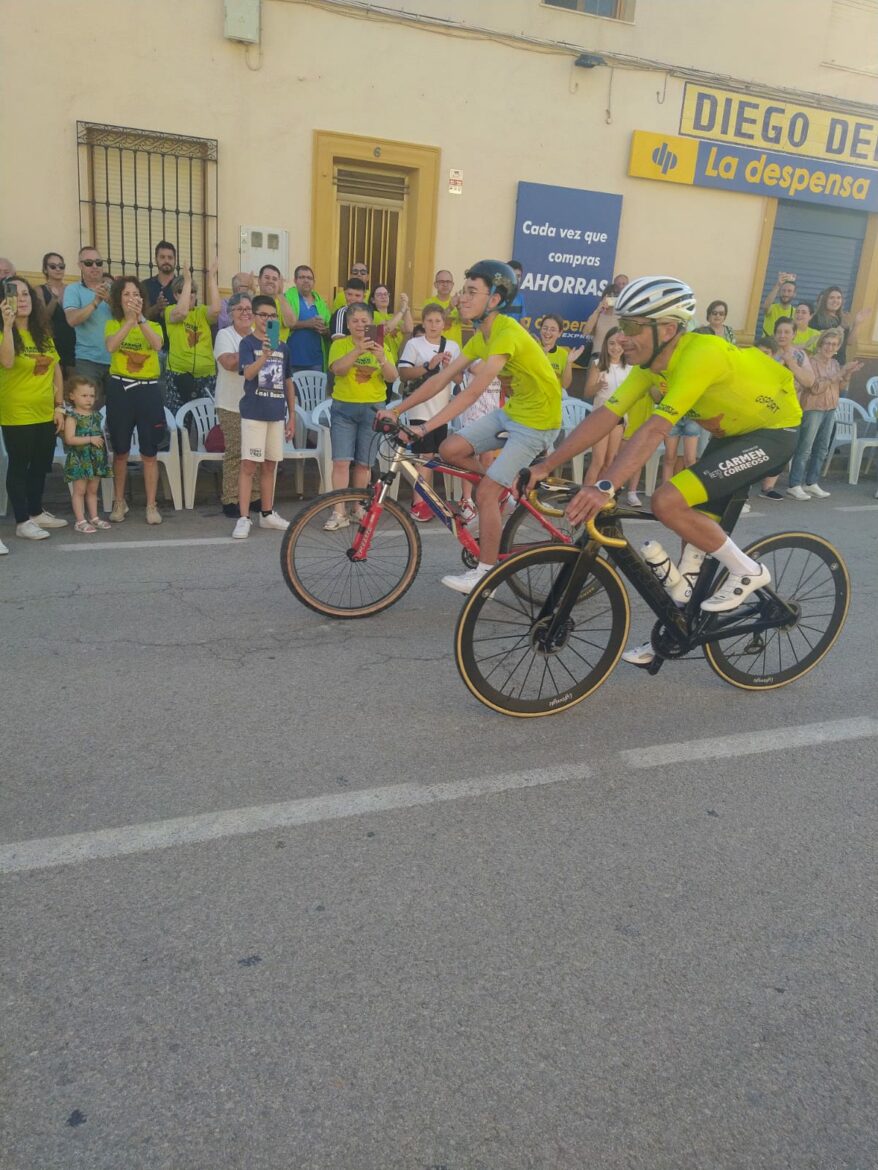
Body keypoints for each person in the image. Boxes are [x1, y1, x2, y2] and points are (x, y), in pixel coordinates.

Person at [520, 275, 803, 665]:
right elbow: (605, 415)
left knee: (667, 501)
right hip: (731, 434)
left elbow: (655, 428)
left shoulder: (701, 353)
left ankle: (747, 571)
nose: (623, 337)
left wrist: (604, 486)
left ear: (668, 329)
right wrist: (545, 466)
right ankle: (678, 628)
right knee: (690, 541)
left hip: (773, 433)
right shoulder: (650, 366)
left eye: (634, 327)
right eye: (622, 326)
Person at [383, 259, 561, 593]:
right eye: (464, 291)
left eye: (472, 292)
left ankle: (486, 573)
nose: (463, 298)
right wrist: (399, 410)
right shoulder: (482, 336)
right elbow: (442, 379)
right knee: (450, 449)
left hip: (538, 422)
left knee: (486, 492)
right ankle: (502, 491)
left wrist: (425, 428)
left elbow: (473, 391)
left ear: (494, 299)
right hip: (515, 413)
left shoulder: (507, 333)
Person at [0, 278, 67, 541]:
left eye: (26, 294)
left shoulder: (42, 333)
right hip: (17, 412)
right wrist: (7, 324)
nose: (23, 299)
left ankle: (36, 511)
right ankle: (21, 520)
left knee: (40, 464)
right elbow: (6, 362)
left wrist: (59, 406)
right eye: (15, 294)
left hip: (45, 411)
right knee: (20, 465)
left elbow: (56, 369)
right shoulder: (4, 333)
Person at [323, 303, 398, 529]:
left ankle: (357, 508)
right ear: (347, 324)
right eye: (355, 321)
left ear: (372, 323)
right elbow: (338, 370)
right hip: (344, 408)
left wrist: (381, 357)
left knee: (364, 464)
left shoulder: (381, 345)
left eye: (365, 321)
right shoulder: (340, 345)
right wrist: (358, 350)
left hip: (373, 409)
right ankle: (338, 512)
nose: (360, 325)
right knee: (341, 462)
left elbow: (392, 377)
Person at [232, 295, 296, 537]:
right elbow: (247, 374)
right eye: (263, 315)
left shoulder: (283, 346)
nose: (267, 319)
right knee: (249, 465)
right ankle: (243, 517)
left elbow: (288, 381)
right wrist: (264, 356)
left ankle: (267, 513)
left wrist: (292, 416)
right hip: (254, 412)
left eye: (272, 316)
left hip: (276, 413)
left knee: (271, 464)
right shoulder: (247, 343)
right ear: (254, 316)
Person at [104, 276, 165, 524]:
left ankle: (151, 505)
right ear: (119, 298)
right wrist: (128, 323)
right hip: (120, 389)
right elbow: (111, 346)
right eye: (127, 294)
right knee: (121, 451)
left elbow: (157, 345)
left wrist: (140, 320)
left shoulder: (152, 325)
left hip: (148, 390)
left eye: (136, 294)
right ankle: (119, 502)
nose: (132, 298)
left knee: (149, 452)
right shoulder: (112, 324)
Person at [397, 302, 460, 522]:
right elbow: (404, 373)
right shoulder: (414, 344)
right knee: (424, 456)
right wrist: (428, 366)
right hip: (419, 407)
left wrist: (450, 367)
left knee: (432, 456)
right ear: (423, 323)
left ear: (445, 323)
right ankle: (418, 502)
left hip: (442, 409)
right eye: (430, 321)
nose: (434, 325)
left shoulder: (452, 346)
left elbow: (459, 379)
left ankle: (427, 500)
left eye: (438, 321)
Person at [787, 327, 862, 501]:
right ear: (820, 345)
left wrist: (847, 374)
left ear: (837, 347)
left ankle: (811, 482)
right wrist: (840, 373)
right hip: (813, 408)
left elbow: (840, 387)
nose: (830, 347)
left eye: (834, 344)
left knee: (822, 448)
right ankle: (794, 484)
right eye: (827, 343)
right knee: (805, 447)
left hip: (830, 407)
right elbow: (815, 387)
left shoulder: (835, 364)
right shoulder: (811, 362)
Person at [214, 293, 257, 517]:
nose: (245, 313)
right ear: (230, 313)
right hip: (231, 404)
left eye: (249, 308)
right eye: (240, 309)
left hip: (256, 403)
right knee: (236, 451)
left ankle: (255, 496)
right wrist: (253, 350)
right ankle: (231, 499)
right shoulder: (224, 334)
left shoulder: (257, 335)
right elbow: (229, 363)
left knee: (255, 452)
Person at [163, 258, 221, 412]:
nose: (189, 295)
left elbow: (216, 310)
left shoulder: (202, 311)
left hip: (206, 374)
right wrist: (187, 281)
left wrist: (211, 279)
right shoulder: (170, 311)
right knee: (180, 419)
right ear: (175, 295)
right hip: (178, 374)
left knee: (208, 418)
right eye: (182, 291)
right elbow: (181, 313)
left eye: (192, 292)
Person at [62, 374, 112, 534]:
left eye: (91, 396)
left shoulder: (96, 415)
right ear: (72, 396)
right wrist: (90, 439)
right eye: (84, 395)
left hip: (95, 458)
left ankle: (94, 517)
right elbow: (69, 439)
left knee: (92, 490)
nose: (89, 399)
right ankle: (80, 520)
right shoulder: (72, 417)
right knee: (80, 491)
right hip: (80, 459)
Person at [63, 245, 113, 402]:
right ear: (80, 266)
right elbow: (72, 320)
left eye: (98, 262)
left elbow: (128, 318)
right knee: (88, 410)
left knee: (117, 411)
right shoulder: (73, 289)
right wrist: (95, 302)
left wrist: (109, 299)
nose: (95, 267)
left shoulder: (115, 290)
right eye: (89, 263)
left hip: (117, 360)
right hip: (87, 361)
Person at [583, 326, 629, 486]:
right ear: (605, 345)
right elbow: (587, 392)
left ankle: (598, 496)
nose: (616, 348)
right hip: (600, 418)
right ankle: (583, 496)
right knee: (598, 461)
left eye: (620, 344)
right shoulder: (598, 364)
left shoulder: (630, 368)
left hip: (619, 419)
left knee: (610, 462)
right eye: (611, 343)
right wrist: (598, 386)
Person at [285, 265, 330, 374]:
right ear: (295, 280)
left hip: (316, 360)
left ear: (314, 282)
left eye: (309, 278)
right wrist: (308, 324)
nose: (306, 280)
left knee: (315, 391)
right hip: (292, 359)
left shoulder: (321, 303)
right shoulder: (287, 298)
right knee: (292, 391)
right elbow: (284, 323)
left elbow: (329, 329)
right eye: (302, 277)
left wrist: (325, 330)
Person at [811, 286, 870, 364]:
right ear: (825, 300)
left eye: (839, 298)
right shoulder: (816, 318)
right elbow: (819, 339)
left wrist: (857, 323)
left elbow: (849, 342)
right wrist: (841, 327)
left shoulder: (842, 318)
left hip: (839, 362)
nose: (835, 300)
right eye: (831, 298)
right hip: (821, 363)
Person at [38, 252, 76, 375]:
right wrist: (54, 300)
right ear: (45, 269)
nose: (58, 269)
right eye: (53, 266)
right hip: (51, 341)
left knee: (74, 385)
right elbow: (42, 318)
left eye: (61, 266)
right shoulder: (39, 290)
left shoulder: (72, 289)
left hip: (72, 342)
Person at [583, 274, 628, 355]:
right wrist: (598, 310)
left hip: (618, 358)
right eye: (610, 296)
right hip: (598, 357)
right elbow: (586, 332)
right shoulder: (598, 314)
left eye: (615, 296)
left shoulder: (625, 314)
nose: (612, 299)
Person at [538, 313, 585, 391]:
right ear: (540, 330)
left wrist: (569, 362)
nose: (548, 332)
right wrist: (542, 357)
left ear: (559, 333)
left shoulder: (563, 354)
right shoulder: (532, 349)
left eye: (553, 330)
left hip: (553, 398)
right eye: (545, 328)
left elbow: (565, 385)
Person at [369, 285, 412, 366]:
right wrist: (402, 311)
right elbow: (387, 328)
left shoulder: (393, 316)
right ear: (373, 300)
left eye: (385, 294)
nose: (383, 297)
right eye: (379, 295)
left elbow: (408, 329)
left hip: (395, 360)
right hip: (379, 361)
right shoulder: (372, 315)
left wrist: (406, 307)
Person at [256, 265, 297, 342]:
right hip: (253, 350)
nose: (270, 281)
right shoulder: (252, 302)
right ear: (259, 280)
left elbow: (291, 323)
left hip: (277, 351)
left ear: (279, 283)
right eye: (267, 277)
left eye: (274, 279)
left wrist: (280, 294)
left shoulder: (283, 304)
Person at [143, 240, 178, 327]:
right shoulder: (145, 286)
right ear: (156, 259)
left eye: (170, 257)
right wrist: (156, 308)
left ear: (175, 260)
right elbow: (139, 317)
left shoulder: (184, 286)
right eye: (162, 257)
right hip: (149, 339)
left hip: (177, 339)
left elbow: (192, 315)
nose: (166, 261)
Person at [761, 271, 797, 337]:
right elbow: (765, 307)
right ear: (779, 292)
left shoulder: (796, 313)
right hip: (767, 344)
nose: (786, 294)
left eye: (789, 291)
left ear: (794, 294)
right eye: (783, 290)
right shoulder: (772, 308)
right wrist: (778, 285)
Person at [432, 270, 462, 347]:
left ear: (452, 285)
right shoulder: (429, 303)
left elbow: (467, 322)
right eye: (441, 281)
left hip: (455, 351)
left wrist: (459, 307)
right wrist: (450, 308)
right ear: (435, 285)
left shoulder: (457, 302)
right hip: (436, 348)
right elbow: (435, 321)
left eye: (448, 282)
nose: (445, 284)